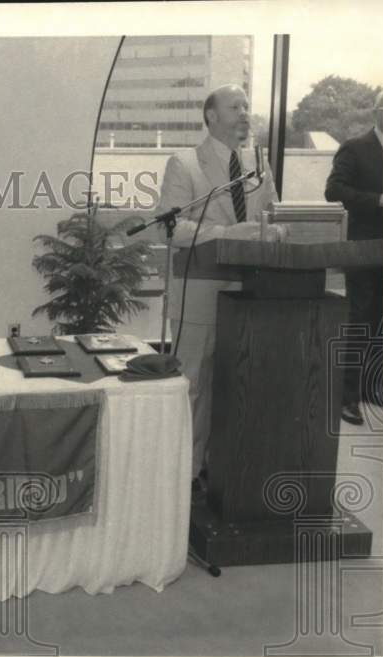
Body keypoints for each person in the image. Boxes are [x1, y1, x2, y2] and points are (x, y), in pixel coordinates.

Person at [156, 84, 281, 487]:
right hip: (199, 296)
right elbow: (170, 227)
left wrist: (273, 233)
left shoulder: (260, 170)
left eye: (247, 105)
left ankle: (225, 474)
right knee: (194, 390)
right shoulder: (185, 163)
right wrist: (228, 234)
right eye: (235, 106)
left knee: (237, 389)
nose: (245, 113)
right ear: (211, 115)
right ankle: (185, 477)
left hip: (251, 298)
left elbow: (274, 220)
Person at [324, 92, 383, 426]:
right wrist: (378, 200)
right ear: (377, 112)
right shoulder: (355, 147)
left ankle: (373, 388)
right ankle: (347, 398)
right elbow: (334, 190)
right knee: (360, 322)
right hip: (364, 251)